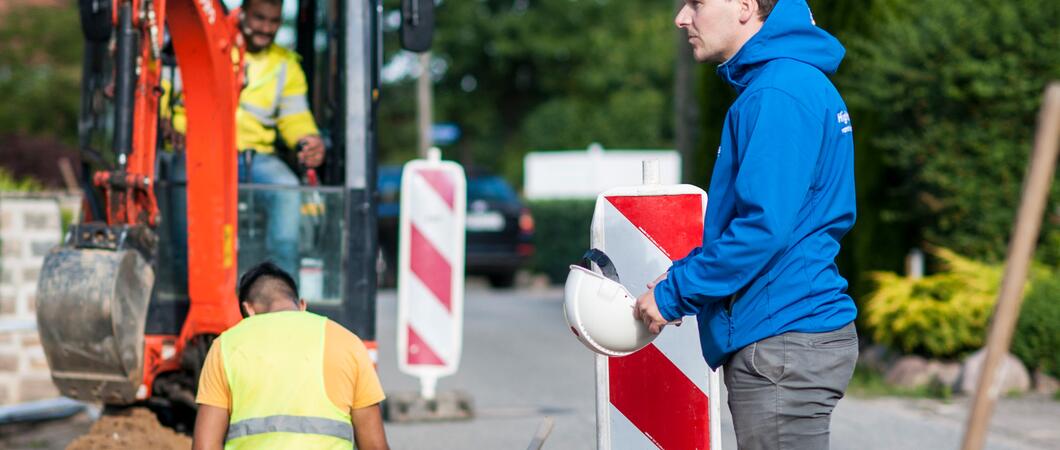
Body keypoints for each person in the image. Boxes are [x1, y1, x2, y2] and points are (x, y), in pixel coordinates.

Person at [633, 0, 858, 448]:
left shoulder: (777, 92)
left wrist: (675, 294)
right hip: (790, 334)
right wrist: (682, 275)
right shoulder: (785, 83)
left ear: (744, 7)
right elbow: (775, 224)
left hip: (782, 339)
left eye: (697, 3)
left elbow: (762, 229)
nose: (682, 17)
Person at [161, 0, 325, 276]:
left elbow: (295, 117)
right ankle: (183, 280)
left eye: (274, 22)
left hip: (253, 158)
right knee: (182, 190)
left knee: (287, 188)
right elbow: (158, 93)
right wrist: (163, 122)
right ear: (241, 13)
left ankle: (281, 291)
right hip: (196, 151)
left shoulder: (285, 65)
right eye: (259, 18)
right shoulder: (195, 47)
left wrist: (310, 140)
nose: (266, 28)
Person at [192, 262, 388, 449]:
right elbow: (374, 445)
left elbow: (204, 445)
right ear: (302, 304)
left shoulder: (226, 346)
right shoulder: (347, 342)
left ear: (248, 309)